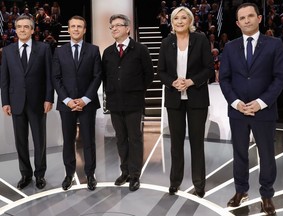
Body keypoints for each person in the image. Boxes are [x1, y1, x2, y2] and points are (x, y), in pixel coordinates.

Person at [219, 3, 283, 215]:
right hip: (238, 111)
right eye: (242, 18)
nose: (247, 20)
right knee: (239, 154)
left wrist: (261, 102)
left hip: (264, 110)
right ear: (237, 23)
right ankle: (241, 191)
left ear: (259, 18)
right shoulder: (230, 47)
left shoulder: (274, 44)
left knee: (267, 155)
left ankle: (267, 195)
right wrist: (236, 103)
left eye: (250, 16)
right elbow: (224, 79)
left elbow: (280, 77)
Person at [157, 6, 214, 197]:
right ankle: (175, 181)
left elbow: (208, 69)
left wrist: (191, 81)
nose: (179, 21)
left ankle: (199, 184)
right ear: (172, 23)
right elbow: (161, 71)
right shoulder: (166, 42)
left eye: (183, 18)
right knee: (176, 143)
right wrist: (173, 82)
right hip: (175, 100)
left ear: (190, 21)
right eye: (176, 19)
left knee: (197, 143)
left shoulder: (201, 39)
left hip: (196, 98)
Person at [0, 15, 54, 190]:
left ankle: (40, 175)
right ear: (15, 29)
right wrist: (5, 101)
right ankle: (25, 174)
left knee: (40, 141)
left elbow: (49, 76)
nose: (22, 29)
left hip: (38, 102)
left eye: (26, 27)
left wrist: (49, 98)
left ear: (32, 30)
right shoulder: (7, 51)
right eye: (19, 27)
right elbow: (5, 79)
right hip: (16, 103)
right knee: (20, 141)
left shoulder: (44, 48)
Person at [102, 14, 154, 192]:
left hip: (134, 103)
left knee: (135, 139)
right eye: (112, 26)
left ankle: (134, 175)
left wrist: (137, 91)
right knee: (120, 139)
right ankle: (124, 171)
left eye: (118, 25)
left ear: (127, 28)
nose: (114, 28)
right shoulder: (108, 52)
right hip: (115, 103)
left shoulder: (140, 49)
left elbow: (149, 76)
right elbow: (105, 77)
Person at [52, 15, 102, 191]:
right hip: (67, 104)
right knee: (68, 140)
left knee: (89, 140)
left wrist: (85, 99)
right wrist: (67, 100)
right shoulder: (59, 51)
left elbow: (97, 77)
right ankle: (69, 174)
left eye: (79, 26)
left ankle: (90, 174)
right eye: (72, 26)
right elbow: (56, 78)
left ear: (84, 30)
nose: (76, 29)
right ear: (68, 29)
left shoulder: (94, 50)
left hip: (87, 103)